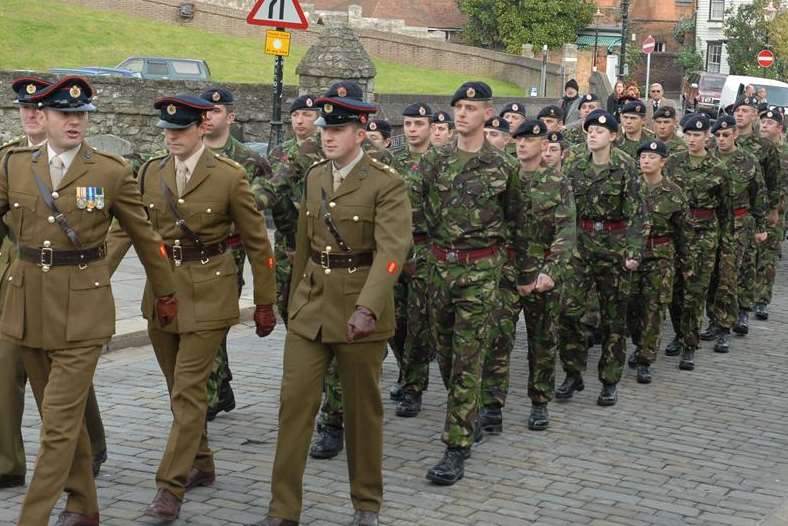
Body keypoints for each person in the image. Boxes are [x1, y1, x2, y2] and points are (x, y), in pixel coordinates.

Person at [3, 76, 177, 526]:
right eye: (65, 114)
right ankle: (84, 507)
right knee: (63, 420)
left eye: (81, 115)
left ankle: (32, 518)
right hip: (26, 307)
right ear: (44, 116)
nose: (75, 122)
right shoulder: (14, 165)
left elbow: (148, 239)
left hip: (83, 311)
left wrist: (167, 295)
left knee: (57, 425)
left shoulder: (111, 171)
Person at [106, 94, 277, 521]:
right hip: (161, 293)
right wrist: (90, 281)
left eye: (179, 130)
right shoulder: (149, 173)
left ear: (202, 126)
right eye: (167, 130)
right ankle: (200, 462)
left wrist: (264, 302)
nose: (172, 138)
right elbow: (124, 231)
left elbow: (258, 243)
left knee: (188, 390)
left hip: (209, 293)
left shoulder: (230, 176)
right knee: (176, 391)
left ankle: (170, 488)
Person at [257, 80, 411, 526]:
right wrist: (290, 300)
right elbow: (304, 246)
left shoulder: (386, 183)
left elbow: (391, 251)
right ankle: (283, 509)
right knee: (294, 409)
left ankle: (367, 504)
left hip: (359, 311)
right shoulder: (315, 176)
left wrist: (369, 307)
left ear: (360, 133)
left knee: (362, 414)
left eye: (338, 129)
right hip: (311, 310)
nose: (327, 136)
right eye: (325, 128)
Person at [419, 81, 524, 486]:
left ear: (487, 113)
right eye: (458, 106)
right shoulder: (435, 161)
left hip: (481, 272)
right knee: (444, 352)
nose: (462, 113)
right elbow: (418, 213)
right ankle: (470, 409)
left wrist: (520, 276)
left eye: (470, 107)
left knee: (466, 357)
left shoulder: (503, 168)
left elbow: (518, 223)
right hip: (439, 270)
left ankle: (456, 446)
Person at [481, 119, 575, 433]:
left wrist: (552, 272)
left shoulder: (557, 182)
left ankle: (539, 401)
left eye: (529, 140)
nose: (522, 145)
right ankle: (492, 407)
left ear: (544, 144)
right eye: (518, 140)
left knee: (542, 340)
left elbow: (566, 232)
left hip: (541, 273)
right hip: (506, 271)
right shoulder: (504, 177)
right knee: (497, 338)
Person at [556, 109, 646, 406]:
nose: (593, 134)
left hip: (614, 246)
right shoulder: (573, 162)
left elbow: (637, 213)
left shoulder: (626, 166)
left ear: (613, 136)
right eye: (590, 130)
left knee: (612, 319)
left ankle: (609, 380)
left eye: (599, 130)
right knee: (568, 312)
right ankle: (573, 372)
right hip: (579, 245)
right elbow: (564, 207)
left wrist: (633, 252)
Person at [199, 86, 273, 421]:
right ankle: (220, 384)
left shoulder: (249, 160)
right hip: (188, 255)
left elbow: (257, 212)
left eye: (215, 112)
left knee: (215, 321)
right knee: (202, 323)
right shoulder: (188, 153)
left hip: (229, 251)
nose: (207, 117)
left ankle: (213, 392)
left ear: (229, 117)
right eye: (203, 111)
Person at [663, 114, 732, 370]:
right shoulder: (672, 163)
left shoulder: (718, 168)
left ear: (707, 137)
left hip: (704, 235)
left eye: (698, 135)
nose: (692, 140)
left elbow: (725, 208)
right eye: (689, 135)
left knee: (695, 292)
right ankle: (680, 334)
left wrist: (725, 241)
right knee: (675, 291)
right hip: (677, 234)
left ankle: (689, 344)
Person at [703, 116, 767, 354]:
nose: (721, 139)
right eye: (717, 135)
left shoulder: (748, 160)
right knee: (710, 274)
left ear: (735, 135)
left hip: (738, 224)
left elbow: (758, 193)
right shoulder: (708, 159)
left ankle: (724, 328)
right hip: (711, 223)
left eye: (726, 135)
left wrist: (761, 226)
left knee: (728, 276)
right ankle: (712, 319)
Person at [627, 140, 688, 384]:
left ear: (663, 162)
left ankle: (645, 359)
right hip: (632, 256)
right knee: (631, 307)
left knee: (654, 308)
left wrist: (686, 264)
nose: (646, 160)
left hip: (661, 256)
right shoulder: (630, 188)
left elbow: (683, 231)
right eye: (643, 156)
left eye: (652, 157)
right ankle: (638, 342)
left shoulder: (674, 193)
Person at [393, 102, 434, 418]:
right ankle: (405, 370)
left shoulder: (441, 163)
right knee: (395, 321)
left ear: (431, 127)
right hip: (395, 248)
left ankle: (413, 388)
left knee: (420, 324)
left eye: (418, 124)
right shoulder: (392, 162)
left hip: (427, 249)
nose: (412, 129)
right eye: (408, 124)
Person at [732, 97, 783, 333]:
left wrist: (772, 210)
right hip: (726, 214)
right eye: (738, 110)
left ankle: (749, 306)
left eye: (746, 111)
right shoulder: (722, 140)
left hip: (753, 213)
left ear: (755, 115)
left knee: (752, 262)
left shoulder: (765, 148)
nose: (740, 115)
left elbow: (773, 183)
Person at [754, 108, 787, 319]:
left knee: (767, 257)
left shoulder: (785, 152)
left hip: (778, 211)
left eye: (770, 122)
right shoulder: (755, 149)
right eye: (763, 121)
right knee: (751, 256)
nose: (765, 125)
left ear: (779, 128)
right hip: (754, 210)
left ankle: (762, 300)